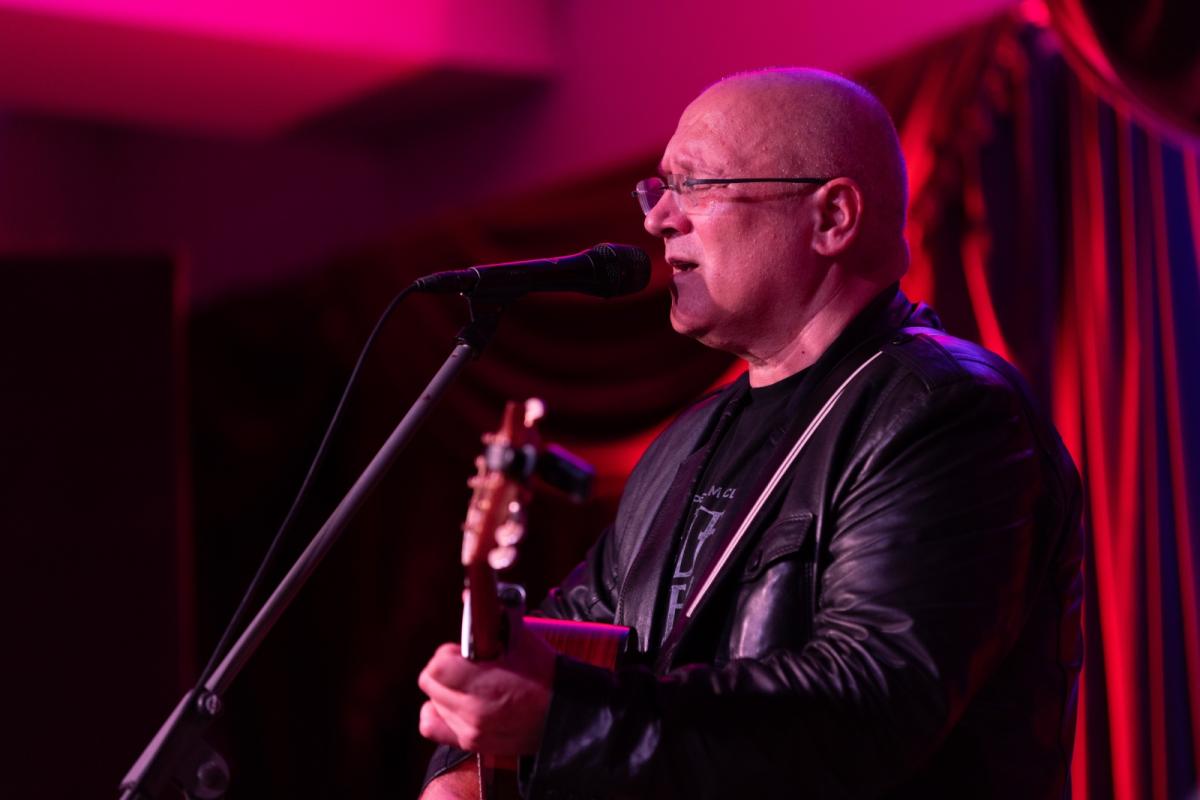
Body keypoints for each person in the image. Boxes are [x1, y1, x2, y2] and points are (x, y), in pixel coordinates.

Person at [417, 67, 1083, 800]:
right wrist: (462, 769)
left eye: (696, 185)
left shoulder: (947, 412)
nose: (657, 218)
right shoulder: (685, 444)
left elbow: (865, 711)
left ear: (831, 218)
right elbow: (559, 640)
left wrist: (564, 721)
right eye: (658, 188)